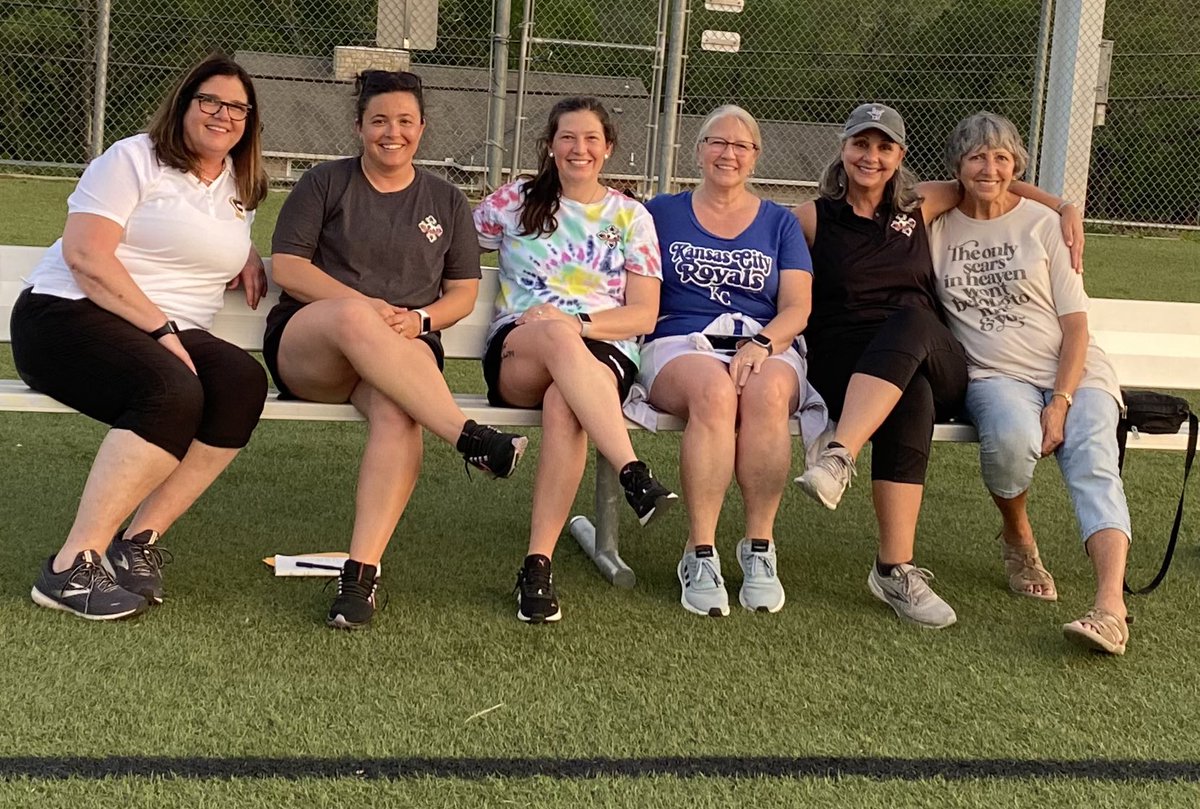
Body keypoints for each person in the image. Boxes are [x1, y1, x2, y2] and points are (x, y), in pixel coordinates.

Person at [792, 103, 1083, 629]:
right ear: (844, 148)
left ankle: (838, 455)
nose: (871, 157)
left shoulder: (917, 204)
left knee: (913, 318)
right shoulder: (813, 217)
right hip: (848, 367)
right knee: (912, 398)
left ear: (900, 155)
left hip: (931, 350)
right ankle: (894, 570)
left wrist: (1063, 207)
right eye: (862, 144)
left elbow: (998, 185)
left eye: (885, 147)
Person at [10, 54, 270, 620]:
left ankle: (137, 544)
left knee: (242, 382)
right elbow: (85, 255)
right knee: (172, 390)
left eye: (238, 108)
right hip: (66, 314)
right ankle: (69, 568)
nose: (223, 115)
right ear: (183, 104)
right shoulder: (132, 158)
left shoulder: (237, 184)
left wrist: (245, 252)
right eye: (210, 101)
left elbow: (192, 232)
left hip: (163, 329)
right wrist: (162, 331)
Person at [267, 70, 528, 630]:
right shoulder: (324, 183)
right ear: (360, 127)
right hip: (313, 349)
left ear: (422, 128)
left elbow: (461, 293)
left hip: (401, 353)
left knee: (398, 416)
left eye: (405, 121)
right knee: (355, 316)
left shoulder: (445, 199)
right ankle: (468, 437)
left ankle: (359, 578)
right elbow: (287, 267)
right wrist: (365, 306)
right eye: (379, 120)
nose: (393, 132)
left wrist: (419, 318)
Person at [929, 112, 1131, 654]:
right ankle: (1018, 535)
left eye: (1002, 158)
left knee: (1092, 458)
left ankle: (1110, 606)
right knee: (1013, 443)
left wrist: (1062, 401)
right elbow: (906, 194)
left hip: (1075, 370)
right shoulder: (937, 228)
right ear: (957, 167)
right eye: (976, 157)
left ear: (1017, 165)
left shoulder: (1046, 226)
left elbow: (1077, 328)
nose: (989, 168)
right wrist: (1053, 195)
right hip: (996, 374)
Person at [474, 96, 676, 624]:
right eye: (567, 137)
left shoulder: (632, 216)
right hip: (522, 350)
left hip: (601, 349)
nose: (578, 148)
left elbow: (644, 314)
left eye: (591, 139)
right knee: (557, 337)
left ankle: (536, 567)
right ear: (550, 146)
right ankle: (633, 471)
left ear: (608, 148)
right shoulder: (515, 201)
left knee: (568, 398)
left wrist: (579, 324)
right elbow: (448, 245)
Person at [635, 105, 818, 617]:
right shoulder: (660, 213)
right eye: (717, 142)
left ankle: (759, 547)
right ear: (698, 150)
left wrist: (762, 344)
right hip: (680, 342)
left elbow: (798, 307)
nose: (728, 153)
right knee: (714, 392)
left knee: (767, 392)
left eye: (740, 146)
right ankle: (700, 551)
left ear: (755, 156)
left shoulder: (779, 222)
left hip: (763, 342)